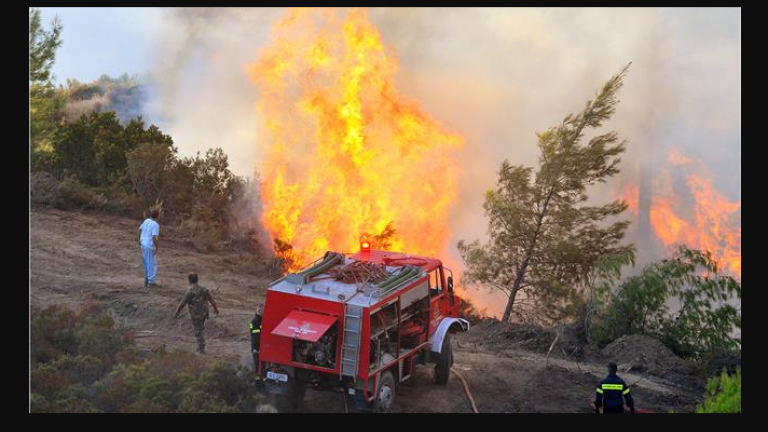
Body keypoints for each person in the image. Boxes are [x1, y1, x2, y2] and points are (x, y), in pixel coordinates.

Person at [174, 273, 219, 354]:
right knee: (200, 328)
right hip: (204, 313)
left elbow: (183, 303)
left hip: (196, 314)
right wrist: (216, 309)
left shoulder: (190, 291)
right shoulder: (203, 289)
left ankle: (201, 349)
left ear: (189, 280)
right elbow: (211, 300)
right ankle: (200, 347)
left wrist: (177, 312)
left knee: (198, 331)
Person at [138, 210, 161, 287]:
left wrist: (139, 240)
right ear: (157, 216)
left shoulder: (146, 220)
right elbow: (154, 237)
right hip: (149, 245)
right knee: (151, 263)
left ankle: (147, 279)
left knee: (147, 262)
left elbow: (139, 230)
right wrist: (157, 247)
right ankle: (151, 282)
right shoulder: (155, 225)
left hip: (143, 243)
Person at [250, 302, 264, 384]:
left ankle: (260, 381)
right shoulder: (255, 322)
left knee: (261, 367)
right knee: (257, 366)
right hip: (257, 348)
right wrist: (256, 349)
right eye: (261, 310)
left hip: (260, 347)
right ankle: (257, 383)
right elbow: (255, 337)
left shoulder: (260, 320)